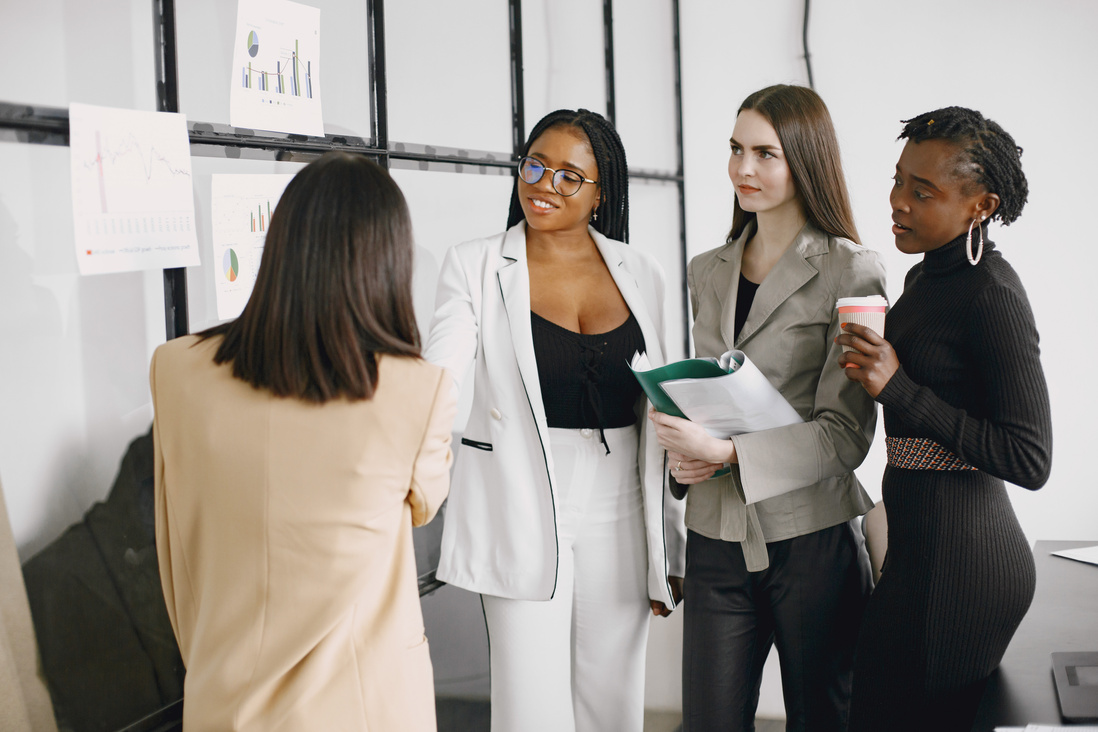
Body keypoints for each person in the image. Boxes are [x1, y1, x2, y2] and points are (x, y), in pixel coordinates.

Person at [151, 152, 455, 732]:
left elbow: (175, 548)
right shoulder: (417, 390)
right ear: (388, 261)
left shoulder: (175, 370)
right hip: (364, 709)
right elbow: (424, 505)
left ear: (280, 245)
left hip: (223, 699)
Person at [424, 108, 685, 732]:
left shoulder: (640, 271)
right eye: (536, 165)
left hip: (622, 497)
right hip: (521, 493)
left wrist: (670, 540)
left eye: (571, 175)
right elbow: (441, 376)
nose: (545, 184)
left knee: (613, 693)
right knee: (530, 699)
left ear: (602, 194)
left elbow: (665, 409)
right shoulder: (475, 264)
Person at [648, 84, 886, 731]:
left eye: (764, 153)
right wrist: (682, 454)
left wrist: (727, 453)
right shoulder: (707, 270)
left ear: (804, 160)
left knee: (822, 720)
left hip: (811, 542)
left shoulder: (851, 270)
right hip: (716, 541)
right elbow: (708, 398)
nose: (742, 169)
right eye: (734, 149)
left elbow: (846, 434)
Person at [838, 107, 1052, 731]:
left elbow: (1029, 458)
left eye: (922, 191)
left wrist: (898, 388)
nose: (898, 201)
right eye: (899, 179)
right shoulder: (926, 277)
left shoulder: (992, 294)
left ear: (980, 206)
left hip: (961, 568)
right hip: (922, 551)